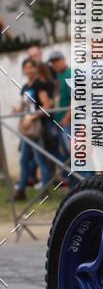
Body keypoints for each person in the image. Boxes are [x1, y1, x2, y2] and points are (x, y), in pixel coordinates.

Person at [12, 58, 55, 200]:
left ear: (36, 69)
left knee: (40, 160)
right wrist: (16, 111)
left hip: (36, 128)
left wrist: (32, 117)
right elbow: (23, 106)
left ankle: (44, 190)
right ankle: (21, 191)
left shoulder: (39, 85)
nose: (28, 70)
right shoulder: (25, 87)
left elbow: (47, 105)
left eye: (31, 67)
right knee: (24, 160)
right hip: (27, 129)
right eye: (26, 67)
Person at [47, 51, 72, 186]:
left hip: (70, 122)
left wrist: (68, 116)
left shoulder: (70, 74)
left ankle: (84, 183)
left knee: (76, 154)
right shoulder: (58, 76)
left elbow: (76, 97)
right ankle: (73, 184)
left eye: (57, 60)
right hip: (61, 122)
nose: (54, 64)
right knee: (68, 156)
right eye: (52, 62)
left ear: (63, 60)